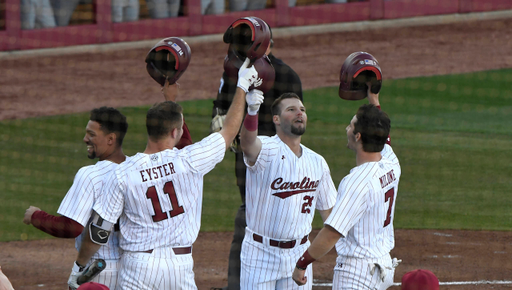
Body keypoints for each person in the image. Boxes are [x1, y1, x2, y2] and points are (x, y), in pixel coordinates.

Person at [67, 58, 260, 290]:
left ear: (149, 130)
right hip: (179, 267)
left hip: (139, 267)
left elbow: (99, 231)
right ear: (176, 132)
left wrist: (79, 266)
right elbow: (229, 131)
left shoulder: (123, 173)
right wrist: (241, 86)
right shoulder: (189, 160)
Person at [211, 27, 303, 290]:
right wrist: (219, 121)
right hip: (245, 162)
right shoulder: (233, 70)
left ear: (266, 46)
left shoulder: (286, 77)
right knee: (248, 214)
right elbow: (220, 103)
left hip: (279, 166)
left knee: (274, 223)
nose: (240, 54)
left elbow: (295, 129)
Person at [292, 86, 401, 289]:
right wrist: (374, 100)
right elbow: (384, 138)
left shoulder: (357, 182)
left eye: (351, 125)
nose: (346, 129)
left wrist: (302, 263)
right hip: (383, 266)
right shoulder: (391, 164)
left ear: (358, 136)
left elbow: (332, 233)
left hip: (357, 274)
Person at [238, 91, 337, 289]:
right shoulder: (266, 148)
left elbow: (331, 216)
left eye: (302, 110)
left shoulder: (317, 162)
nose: (299, 113)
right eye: (291, 110)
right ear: (276, 119)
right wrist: (252, 111)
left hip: (299, 254)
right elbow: (248, 144)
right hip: (260, 254)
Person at [23, 106, 128, 290]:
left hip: (98, 269)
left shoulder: (91, 175)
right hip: (135, 266)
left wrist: (35, 216)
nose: (85, 139)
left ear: (110, 139)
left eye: (91, 134)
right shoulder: (138, 169)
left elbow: (72, 227)